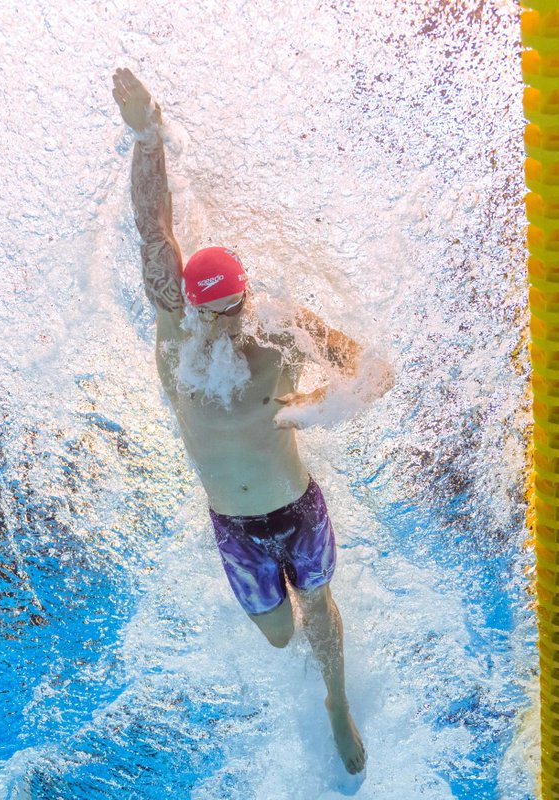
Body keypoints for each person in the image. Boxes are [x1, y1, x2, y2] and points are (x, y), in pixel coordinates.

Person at [111, 67, 392, 776]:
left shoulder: (279, 329)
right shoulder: (176, 337)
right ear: (193, 306)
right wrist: (148, 133)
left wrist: (316, 409)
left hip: (298, 508)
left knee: (319, 609)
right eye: (219, 311)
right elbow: (155, 230)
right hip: (233, 527)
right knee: (277, 637)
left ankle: (335, 701)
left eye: (239, 306)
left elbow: (372, 372)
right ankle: (302, 652)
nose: (233, 322)